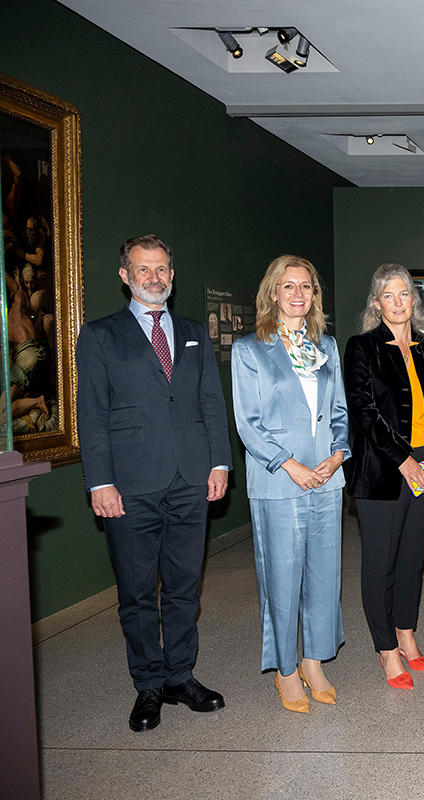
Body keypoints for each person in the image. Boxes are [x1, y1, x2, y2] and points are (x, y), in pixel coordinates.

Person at [76, 234, 232, 732]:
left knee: (185, 587)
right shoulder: (100, 336)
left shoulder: (191, 332)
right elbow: (92, 417)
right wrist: (99, 482)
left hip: (191, 480)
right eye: (143, 269)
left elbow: (211, 401)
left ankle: (180, 676)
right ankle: (147, 684)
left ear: (172, 274)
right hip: (130, 484)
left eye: (162, 269)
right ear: (125, 276)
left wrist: (220, 464)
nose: (154, 277)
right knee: (139, 591)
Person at [232, 255, 350, 714]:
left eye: (306, 286)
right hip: (279, 481)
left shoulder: (327, 346)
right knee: (282, 578)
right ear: (273, 294)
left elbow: (339, 411)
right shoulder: (249, 350)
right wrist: (292, 464)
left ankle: (314, 661)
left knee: (324, 575)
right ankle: (285, 671)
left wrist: (338, 455)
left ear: (314, 295)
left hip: (328, 478)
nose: (298, 294)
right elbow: (248, 423)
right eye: (288, 286)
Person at [344, 264, 424, 690]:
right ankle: (386, 649)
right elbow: (363, 410)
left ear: (414, 300)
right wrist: (404, 461)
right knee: (380, 565)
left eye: (405, 293)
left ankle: (407, 635)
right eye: (390, 295)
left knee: (411, 562)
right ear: (376, 302)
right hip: (383, 472)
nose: (399, 302)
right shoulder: (362, 347)